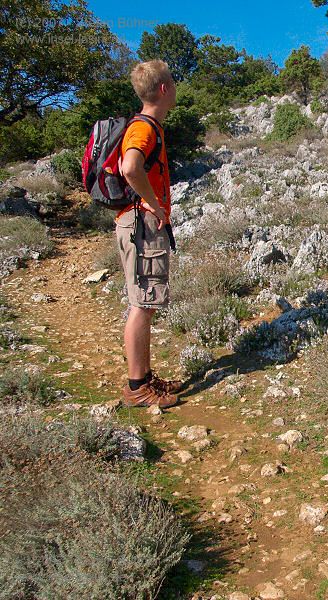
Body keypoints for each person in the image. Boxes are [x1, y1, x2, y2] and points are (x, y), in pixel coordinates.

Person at [116, 59, 181, 408]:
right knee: (142, 304)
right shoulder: (144, 129)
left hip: (138, 223)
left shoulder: (147, 126)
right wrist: (153, 204)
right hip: (142, 224)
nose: (175, 87)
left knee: (144, 302)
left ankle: (143, 375)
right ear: (163, 89)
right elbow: (130, 167)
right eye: (172, 82)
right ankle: (137, 387)